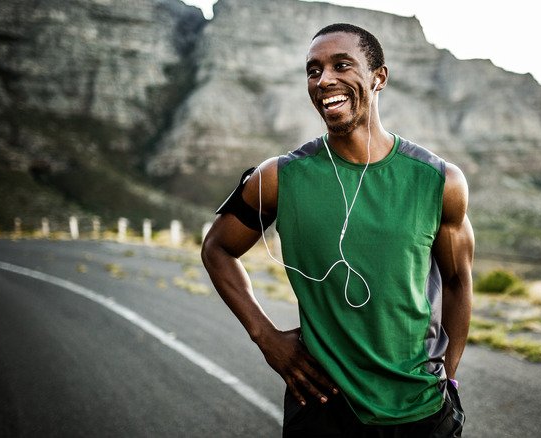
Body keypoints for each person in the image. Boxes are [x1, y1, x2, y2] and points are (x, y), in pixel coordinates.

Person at [202, 23, 474, 438]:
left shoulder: (439, 181)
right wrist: (266, 336)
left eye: (341, 65)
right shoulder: (278, 177)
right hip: (322, 407)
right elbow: (217, 249)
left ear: (378, 77)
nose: (324, 79)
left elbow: (457, 281)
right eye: (313, 70)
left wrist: (448, 380)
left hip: (423, 411)